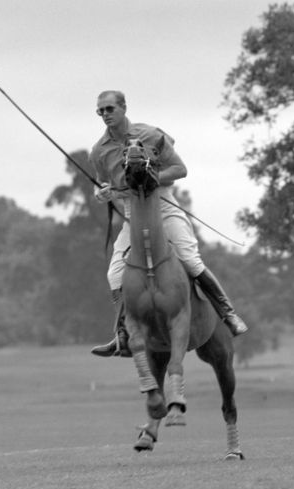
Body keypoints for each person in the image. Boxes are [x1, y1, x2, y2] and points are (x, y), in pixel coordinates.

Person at [89, 90, 248, 358]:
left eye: (109, 109)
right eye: (100, 111)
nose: (105, 115)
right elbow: (104, 185)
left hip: (162, 203)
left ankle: (228, 313)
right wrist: (102, 193)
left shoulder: (151, 134)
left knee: (189, 257)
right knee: (114, 273)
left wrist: (152, 177)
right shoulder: (99, 151)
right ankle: (122, 334)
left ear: (124, 108)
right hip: (132, 210)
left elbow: (180, 169)